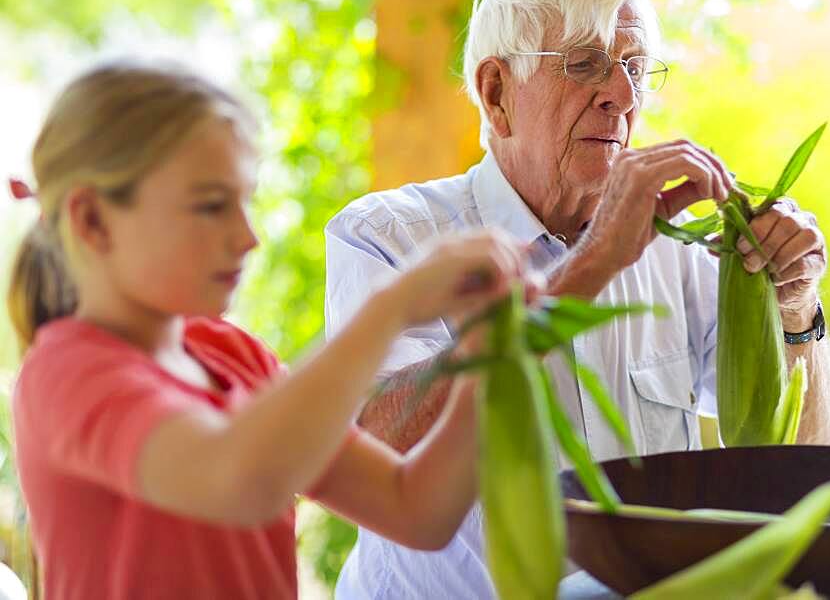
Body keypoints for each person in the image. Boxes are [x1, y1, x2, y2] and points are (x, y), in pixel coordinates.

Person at [327, 0, 830, 599]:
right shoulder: (389, 235)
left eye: (634, 68)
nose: (622, 96)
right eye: (586, 64)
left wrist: (795, 314)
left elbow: (795, 462)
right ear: (496, 92)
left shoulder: (682, 248)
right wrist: (592, 265)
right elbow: (364, 445)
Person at [7, 61, 531, 599]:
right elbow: (240, 481)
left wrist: (483, 352)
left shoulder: (234, 356)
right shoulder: (69, 373)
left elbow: (417, 509)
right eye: (211, 206)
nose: (248, 237)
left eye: (244, 201)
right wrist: (391, 308)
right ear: (92, 221)